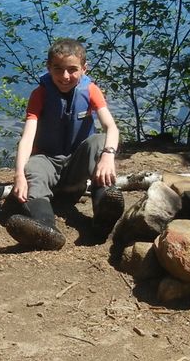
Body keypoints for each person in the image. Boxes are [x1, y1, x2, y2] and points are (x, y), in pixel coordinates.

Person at [6, 37, 123, 250]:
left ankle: (103, 211)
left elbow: (111, 127)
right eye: (58, 69)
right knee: (33, 165)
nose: (65, 76)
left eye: (72, 69)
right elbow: (27, 137)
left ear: (84, 69)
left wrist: (108, 155)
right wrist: (19, 175)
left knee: (99, 140)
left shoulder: (91, 90)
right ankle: (45, 226)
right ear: (48, 67)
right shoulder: (40, 94)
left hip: (76, 171)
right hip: (48, 164)